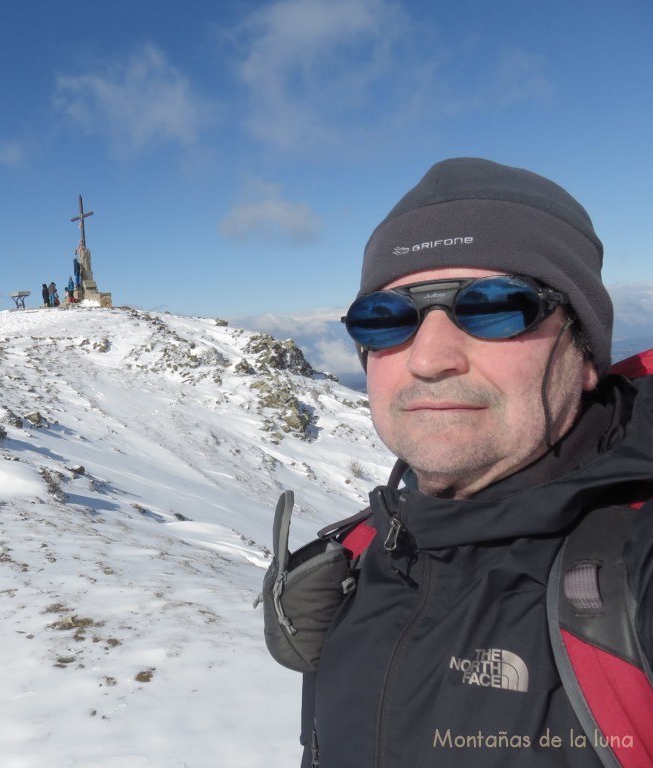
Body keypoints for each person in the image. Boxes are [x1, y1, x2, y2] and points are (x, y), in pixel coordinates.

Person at [277, 158, 653, 767]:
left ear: (585, 356)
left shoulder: (633, 565)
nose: (429, 358)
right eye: (386, 318)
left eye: (495, 305)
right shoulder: (364, 558)